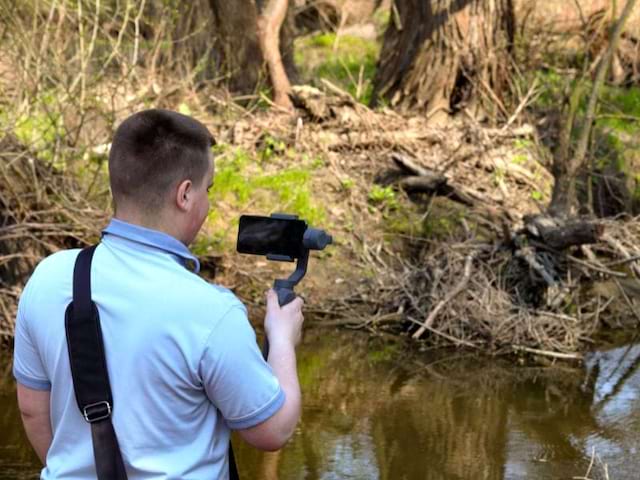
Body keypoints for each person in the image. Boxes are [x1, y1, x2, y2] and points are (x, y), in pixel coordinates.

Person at [13, 109, 305, 479]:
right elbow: (272, 430)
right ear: (184, 194)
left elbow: (32, 410)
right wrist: (281, 339)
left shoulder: (48, 277)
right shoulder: (211, 311)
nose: (208, 203)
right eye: (208, 189)